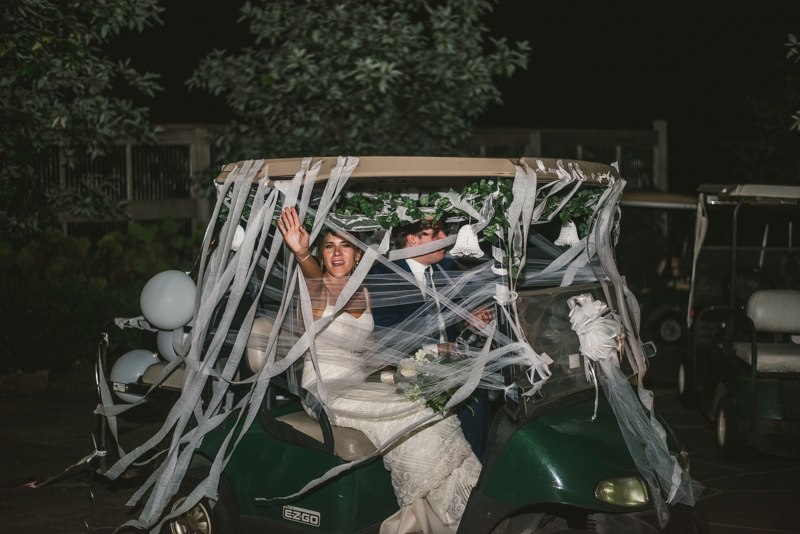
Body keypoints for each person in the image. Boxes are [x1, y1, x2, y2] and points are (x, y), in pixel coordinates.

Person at [278, 207, 481, 534]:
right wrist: (302, 252)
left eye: (345, 246)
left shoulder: (365, 293)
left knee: (431, 411)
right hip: (325, 388)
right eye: (329, 246)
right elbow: (312, 276)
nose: (337, 252)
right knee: (406, 417)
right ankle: (454, 520)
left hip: (360, 382)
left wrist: (413, 366)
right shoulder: (315, 290)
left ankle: (464, 510)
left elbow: (372, 355)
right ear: (322, 255)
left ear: (358, 255)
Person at [371, 219, 494, 463]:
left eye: (443, 230)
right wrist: (433, 349)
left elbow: (460, 309)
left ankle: (482, 473)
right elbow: (384, 337)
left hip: (452, 365)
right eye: (435, 232)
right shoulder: (385, 275)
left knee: (483, 400)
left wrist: (474, 315)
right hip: (405, 371)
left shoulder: (445, 267)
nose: (445, 237)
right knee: (475, 407)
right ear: (412, 240)